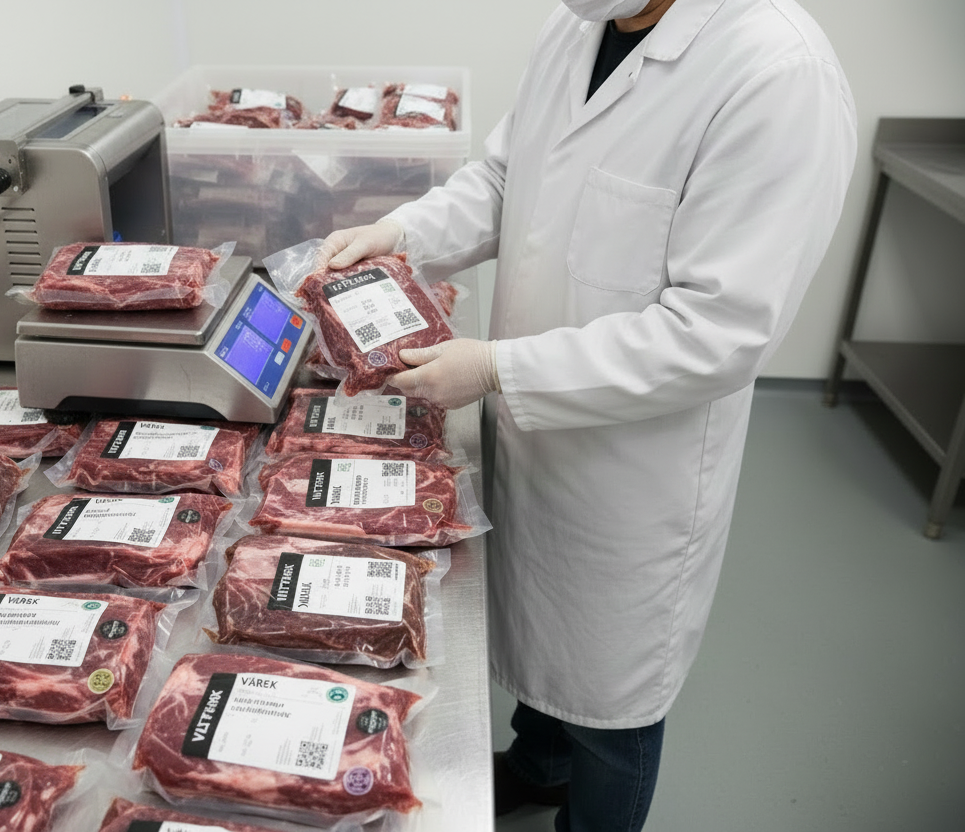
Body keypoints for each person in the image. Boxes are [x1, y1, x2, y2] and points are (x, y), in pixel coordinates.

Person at [320, 0, 856, 828]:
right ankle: (540, 766)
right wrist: (403, 232)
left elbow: (719, 331)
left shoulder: (776, 72)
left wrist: (498, 367)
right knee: (542, 625)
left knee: (612, 693)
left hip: (636, 465)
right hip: (536, 420)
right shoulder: (579, 26)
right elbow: (507, 178)